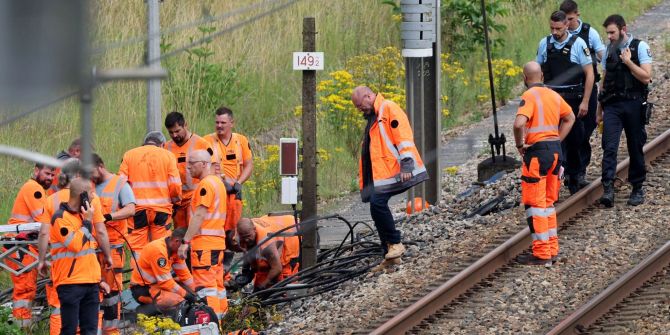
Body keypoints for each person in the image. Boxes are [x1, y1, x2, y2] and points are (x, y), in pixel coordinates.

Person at [351, 86, 428, 267]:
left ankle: (395, 244)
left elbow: (403, 136)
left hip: (397, 170)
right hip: (384, 174)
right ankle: (390, 254)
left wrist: (407, 163)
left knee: (378, 204)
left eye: (360, 105)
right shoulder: (374, 116)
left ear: (369, 96)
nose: (359, 109)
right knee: (375, 206)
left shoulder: (388, 108)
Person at [37, 160, 111, 335]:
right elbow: (80, 243)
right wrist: (88, 221)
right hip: (70, 281)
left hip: (90, 279)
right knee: (68, 328)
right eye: (92, 193)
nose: (95, 197)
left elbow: (43, 234)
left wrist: (99, 278)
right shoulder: (61, 217)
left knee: (90, 330)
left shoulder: (51, 200)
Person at [513, 61, 576, 266]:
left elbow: (519, 124)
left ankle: (541, 254)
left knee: (535, 205)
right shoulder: (553, 95)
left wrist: (520, 144)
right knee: (548, 203)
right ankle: (552, 249)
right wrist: (557, 138)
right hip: (556, 153)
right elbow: (570, 117)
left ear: (525, 79)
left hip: (537, 154)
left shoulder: (529, 96)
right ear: (541, 76)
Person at [536, 10, 595, 194]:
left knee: (576, 139)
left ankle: (575, 174)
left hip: (573, 100)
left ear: (566, 25)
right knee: (555, 142)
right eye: (552, 28)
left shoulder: (578, 44)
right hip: (552, 99)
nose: (554, 32)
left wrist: (586, 101)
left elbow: (589, 74)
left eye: (558, 28)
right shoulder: (544, 44)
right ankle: (557, 179)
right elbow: (537, 71)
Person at [597, 14, 652, 207]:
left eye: (612, 32)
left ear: (623, 29)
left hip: (634, 104)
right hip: (612, 105)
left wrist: (628, 62)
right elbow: (603, 81)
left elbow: (646, 77)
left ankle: (637, 187)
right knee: (609, 147)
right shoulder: (609, 50)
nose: (609, 36)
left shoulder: (640, 47)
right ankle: (608, 188)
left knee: (635, 146)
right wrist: (599, 110)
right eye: (607, 33)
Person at [560, 0, 606, 188]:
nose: (568, 24)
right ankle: (568, 171)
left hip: (586, 90)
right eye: (565, 20)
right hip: (564, 93)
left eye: (570, 19)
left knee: (584, 132)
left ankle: (579, 171)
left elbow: (604, 57)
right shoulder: (558, 36)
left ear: (577, 15)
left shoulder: (589, 33)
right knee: (564, 134)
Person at [178, 150, 228, 320]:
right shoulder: (218, 183)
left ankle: (212, 326)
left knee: (206, 289)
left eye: (192, 163)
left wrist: (185, 241)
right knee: (218, 288)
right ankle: (222, 323)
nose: (188, 167)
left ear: (204, 164)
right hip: (217, 244)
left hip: (204, 246)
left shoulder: (205, 185)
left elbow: (199, 215)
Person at [119, 131, 182, 263]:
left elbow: (121, 184)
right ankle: (161, 277)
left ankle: (138, 280)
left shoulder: (129, 155)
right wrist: (176, 201)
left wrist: (125, 206)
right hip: (161, 211)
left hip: (137, 212)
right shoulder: (168, 155)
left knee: (137, 249)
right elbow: (175, 186)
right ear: (162, 144)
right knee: (161, 246)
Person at [5, 163, 55, 327]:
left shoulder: (34, 189)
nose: (50, 178)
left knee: (26, 290)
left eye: (52, 175)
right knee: (24, 290)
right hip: (20, 245)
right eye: (47, 173)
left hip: (21, 245)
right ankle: (21, 328)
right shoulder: (34, 189)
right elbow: (44, 223)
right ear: (36, 171)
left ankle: (22, 326)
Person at [91, 153, 136, 333]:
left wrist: (109, 217)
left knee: (111, 295)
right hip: (92, 249)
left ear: (100, 166)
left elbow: (131, 208)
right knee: (92, 292)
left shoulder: (120, 184)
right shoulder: (89, 185)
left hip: (113, 249)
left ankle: (111, 331)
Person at [204, 106, 253, 247]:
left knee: (233, 232)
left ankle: (228, 263)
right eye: (217, 122)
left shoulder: (241, 140)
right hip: (216, 193)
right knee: (215, 227)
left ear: (232, 123)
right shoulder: (206, 140)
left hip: (234, 193)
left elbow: (249, 165)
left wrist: (239, 183)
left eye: (223, 123)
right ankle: (217, 260)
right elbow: (202, 166)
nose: (219, 126)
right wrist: (219, 182)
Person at [163, 112, 214, 229]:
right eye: (171, 132)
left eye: (177, 131)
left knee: (195, 233)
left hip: (195, 198)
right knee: (179, 236)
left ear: (185, 125)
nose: (174, 135)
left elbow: (213, 170)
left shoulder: (202, 144)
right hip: (177, 202)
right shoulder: (166, 147)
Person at [130, 228, 197, 315]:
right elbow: (166, 283)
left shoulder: (176, 250)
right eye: (187, 246)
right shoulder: (158, 251)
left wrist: (197, 293)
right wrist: (186, 295)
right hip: (143, 289)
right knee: (179, 300)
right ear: (177, 241)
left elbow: (185, 276)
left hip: (158, 284)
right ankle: (144, 311)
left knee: (188, 293)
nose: (188, 249)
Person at [236, 216, 300, 290]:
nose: (246, 240)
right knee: (262, 273)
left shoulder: (267, 244)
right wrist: (246, 271)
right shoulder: (240, 234)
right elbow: (247, 251)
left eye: (248, 236)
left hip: (290, 234)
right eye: (243, 238)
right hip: (273, 224)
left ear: (254, 230)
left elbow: (277, 268)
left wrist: (263, 285)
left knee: (282, 284)